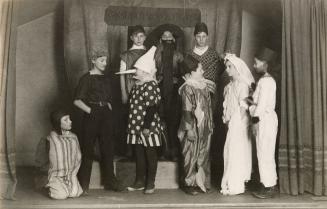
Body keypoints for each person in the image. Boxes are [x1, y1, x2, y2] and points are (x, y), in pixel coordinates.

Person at [74, 49, 124, 195]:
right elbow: (77, 100)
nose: (105, 63)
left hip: (106, 115)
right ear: (93, 61)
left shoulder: (107, 78)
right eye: (102, 60)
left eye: (105, 60)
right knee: (88, 149)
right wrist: (91, 111)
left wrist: (107, 106)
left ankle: (110, 181)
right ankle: (83, 185)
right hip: (92, 115)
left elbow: (109, 97)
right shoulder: (86, 78)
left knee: (108, 148)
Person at [123, 46, 164, 194]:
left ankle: (150, 182)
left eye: (138, 70)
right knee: (139, 154)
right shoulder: (136, 86)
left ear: (146, 71)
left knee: (150, 154)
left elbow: (152, 108)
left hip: (148, 127)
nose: (135, 71)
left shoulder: (151, 85)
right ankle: (139, 181)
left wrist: (146, 127)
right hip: (135, 127)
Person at [178, 55, 215, 195]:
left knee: (203, 153)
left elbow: (209, 107)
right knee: (190, 153)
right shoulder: (188, 88)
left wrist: (210, 124)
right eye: (200, 69)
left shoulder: (204, 86)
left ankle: (202, 182)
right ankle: (189, 183)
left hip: (204, 125)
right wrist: (189, 130)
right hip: (192, 125)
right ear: (190, 73)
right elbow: (186, 109)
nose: (202, 71)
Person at [220, 54, 254, 195]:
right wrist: (226, 118)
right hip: (232, 122)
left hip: (239, 123)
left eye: (230, 67)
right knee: (230, 151)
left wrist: (236, 122)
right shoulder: (229, 86)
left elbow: (243, 106)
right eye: (226, 67)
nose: (227, 70)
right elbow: (228, 104)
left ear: (237, 68)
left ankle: (236, 183)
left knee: (237, 150)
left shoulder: (243, 85)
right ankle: (230, 181)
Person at [150, 24, 184, 160]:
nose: (167, 39)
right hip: (159, 89)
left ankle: (174, 151)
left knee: (174, 121)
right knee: (160, 119)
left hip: (175, 91)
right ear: (160, 40)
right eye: (164, 37)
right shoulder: (155, 55)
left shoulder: (179, 56)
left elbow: (184, 74)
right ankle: (163, 151)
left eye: (170, 37)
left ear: (174, 40)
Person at [249, 47, 278, 199]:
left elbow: (261, 105)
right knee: (264, 152)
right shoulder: (265, 81)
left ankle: (268, 185)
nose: (254, 66)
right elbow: (255, 101)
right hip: (265, 119)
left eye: (256, 63)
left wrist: (254, 121)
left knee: (264, 152)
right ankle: (267, 183)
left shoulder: (266, 81)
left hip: (264, 120)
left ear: (265, 64)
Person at [35, 110, 83, 199]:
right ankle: (49, 186)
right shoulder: (48, 140)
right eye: (66, 120)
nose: (70, 121)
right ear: (58, 123)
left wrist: (72, 173)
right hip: (54, 175)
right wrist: (46, 175)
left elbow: (78, 158)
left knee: (75, 193)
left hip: (70, 174)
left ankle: (67, 184)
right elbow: (40, 162)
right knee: (60, 195)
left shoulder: (74, 137)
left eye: (69, 119)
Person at [119, 25, 147, 157]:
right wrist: (124, 93)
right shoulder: (125, 55)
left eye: (141, 36)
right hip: (131, 89)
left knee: (145, 119)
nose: (139, 38)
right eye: (136, 36)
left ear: (145, 37)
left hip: (146, 90)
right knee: (131, 119)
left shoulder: (149, 52)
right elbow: (122, 75)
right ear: (131, 37)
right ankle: (130, 150)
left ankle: (145, 148)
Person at [187, 22, 222, 114]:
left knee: (207, 119)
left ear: (207, 37)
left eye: (204, 36)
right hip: (192, 92)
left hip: (210, 93)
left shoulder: (214, 54)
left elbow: (217, 74)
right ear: (194, 37)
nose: (201, 39)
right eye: (199, 36)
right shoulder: (189, 54)